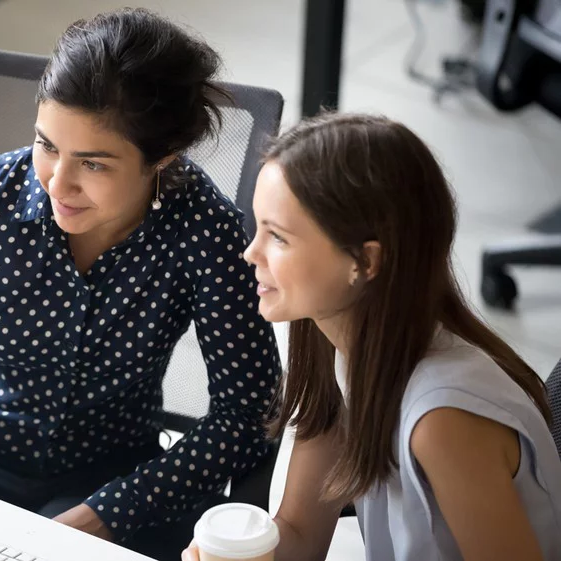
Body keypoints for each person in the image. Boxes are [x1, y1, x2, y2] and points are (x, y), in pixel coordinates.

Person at [0, 7, 281, 559]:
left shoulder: (205, 233)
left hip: (111, 471)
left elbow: (249, 410)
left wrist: (115, 510)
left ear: (163, 157)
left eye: (93, 164)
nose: (58, 183)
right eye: (47, 145)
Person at [183, 113, 561, 561]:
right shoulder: (334, 343)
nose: (251, 252)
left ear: (363, 262)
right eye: (258, 227)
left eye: (278, 237)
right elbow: (302, 533)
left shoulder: (443, 420)